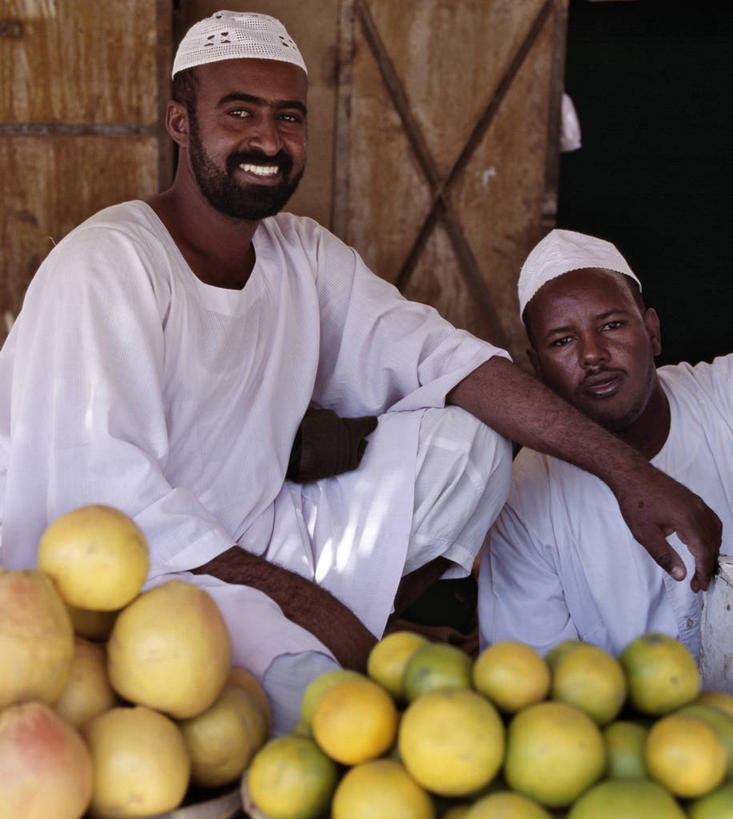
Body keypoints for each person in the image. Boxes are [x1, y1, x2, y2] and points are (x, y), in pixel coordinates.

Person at [0, 12, 720, 732]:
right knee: (323, 715)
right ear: (179, 123)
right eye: (239, 112)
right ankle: (322, 642)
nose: (268, 140)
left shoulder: (299, 255)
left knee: (467, 444)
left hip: (259, 534)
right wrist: (310, 608)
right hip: (141, 572)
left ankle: (346, 626)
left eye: (289, 116)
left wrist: (628, 473)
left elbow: (448, 360)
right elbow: (102, 504)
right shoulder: (111, 262)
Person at [478, 229, 731, 661]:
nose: (593, 355)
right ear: (537, 366)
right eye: (563, 340)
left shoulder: (724, 398)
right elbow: (531, 680)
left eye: (612, 325)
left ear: (652, 332)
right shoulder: (522, 500)